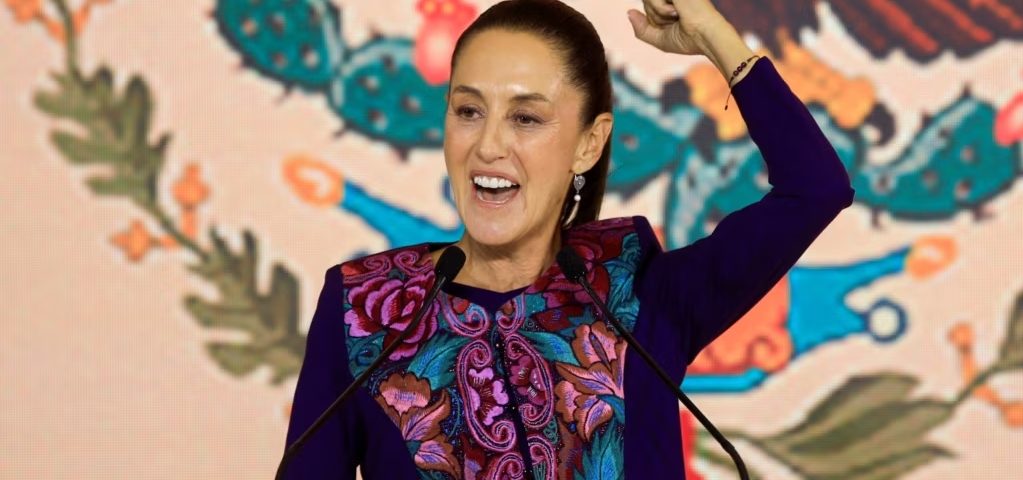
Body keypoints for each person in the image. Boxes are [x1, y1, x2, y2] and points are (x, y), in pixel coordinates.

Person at [283, 0, 855, 478]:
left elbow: (815, 188)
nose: (487, 145)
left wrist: (714, 37)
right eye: (468, 111)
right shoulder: (366, 313)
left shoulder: (639, 295)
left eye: (526, 118)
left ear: (589, 143)